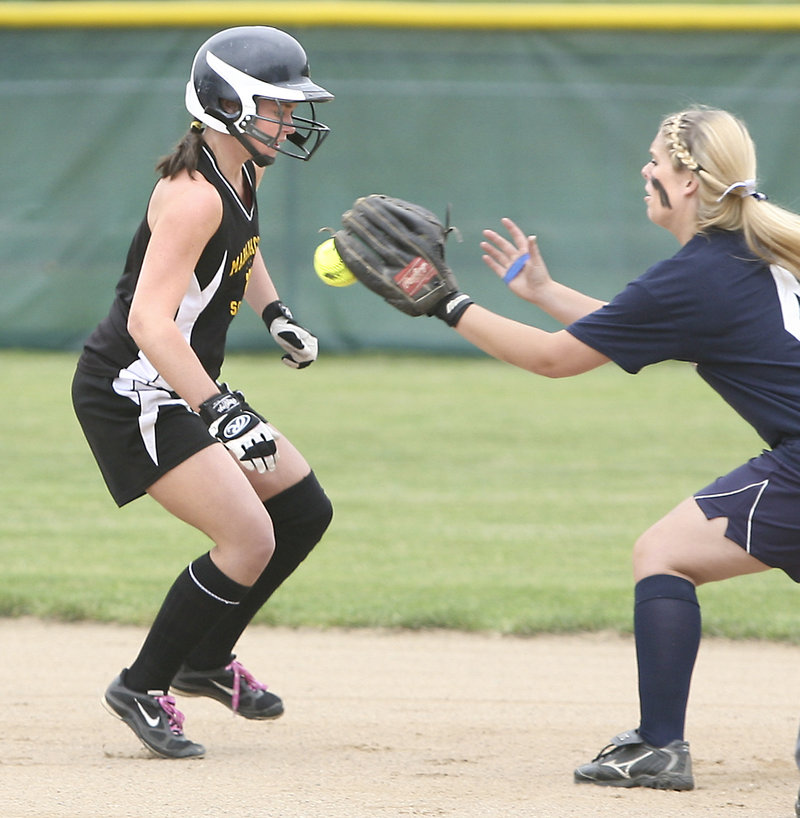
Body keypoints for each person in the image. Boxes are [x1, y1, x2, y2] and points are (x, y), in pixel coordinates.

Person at [374, 107, 800, 795]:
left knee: (663, 554)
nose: (646, 170)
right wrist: (542, 291)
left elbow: (552, 361)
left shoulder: (699, 273)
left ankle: (659, 748)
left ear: (688, 183)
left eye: (658, 161)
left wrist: (443, 303)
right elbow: (631, 327)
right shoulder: (752, 247)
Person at [71, 26, 334, 759]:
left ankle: (205, 659)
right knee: (247, 537)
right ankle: (142, 684)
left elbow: (241, 254)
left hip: (177, 385)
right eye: (278, 107)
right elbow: (148, 321)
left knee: (304, 508)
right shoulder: (190, 196)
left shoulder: (242, 169)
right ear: (228, 102)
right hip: (134, 394)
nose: (290, 121)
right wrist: (220, 411)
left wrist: (276, 314)